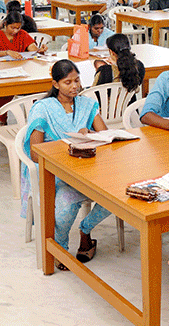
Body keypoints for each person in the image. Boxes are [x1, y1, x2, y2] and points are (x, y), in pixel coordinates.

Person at [21, 59, 111, 271]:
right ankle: (60, 248)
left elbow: (106, 136)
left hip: (86, 168)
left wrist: (89, 134)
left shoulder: (86, 104)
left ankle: (85, 229)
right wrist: (68, 147)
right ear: (55, 84)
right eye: (68, 82)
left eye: (77, 80)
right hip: (55, 173)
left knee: (119, 194)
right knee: (66, 207)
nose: (75, 86)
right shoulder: (43, 109)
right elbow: (35, 152)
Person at [0, 12, 46, 125]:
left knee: (34, 89)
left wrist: (40, 50)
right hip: (3, 72)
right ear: (5, 24)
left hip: (22, 71)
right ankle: (3, 119)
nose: (15, 31)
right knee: (5, 91)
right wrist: (7, 52)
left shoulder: (22, 34)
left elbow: (33, 49)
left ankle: (33, 117)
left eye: (18, 28)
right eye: (12, 27)